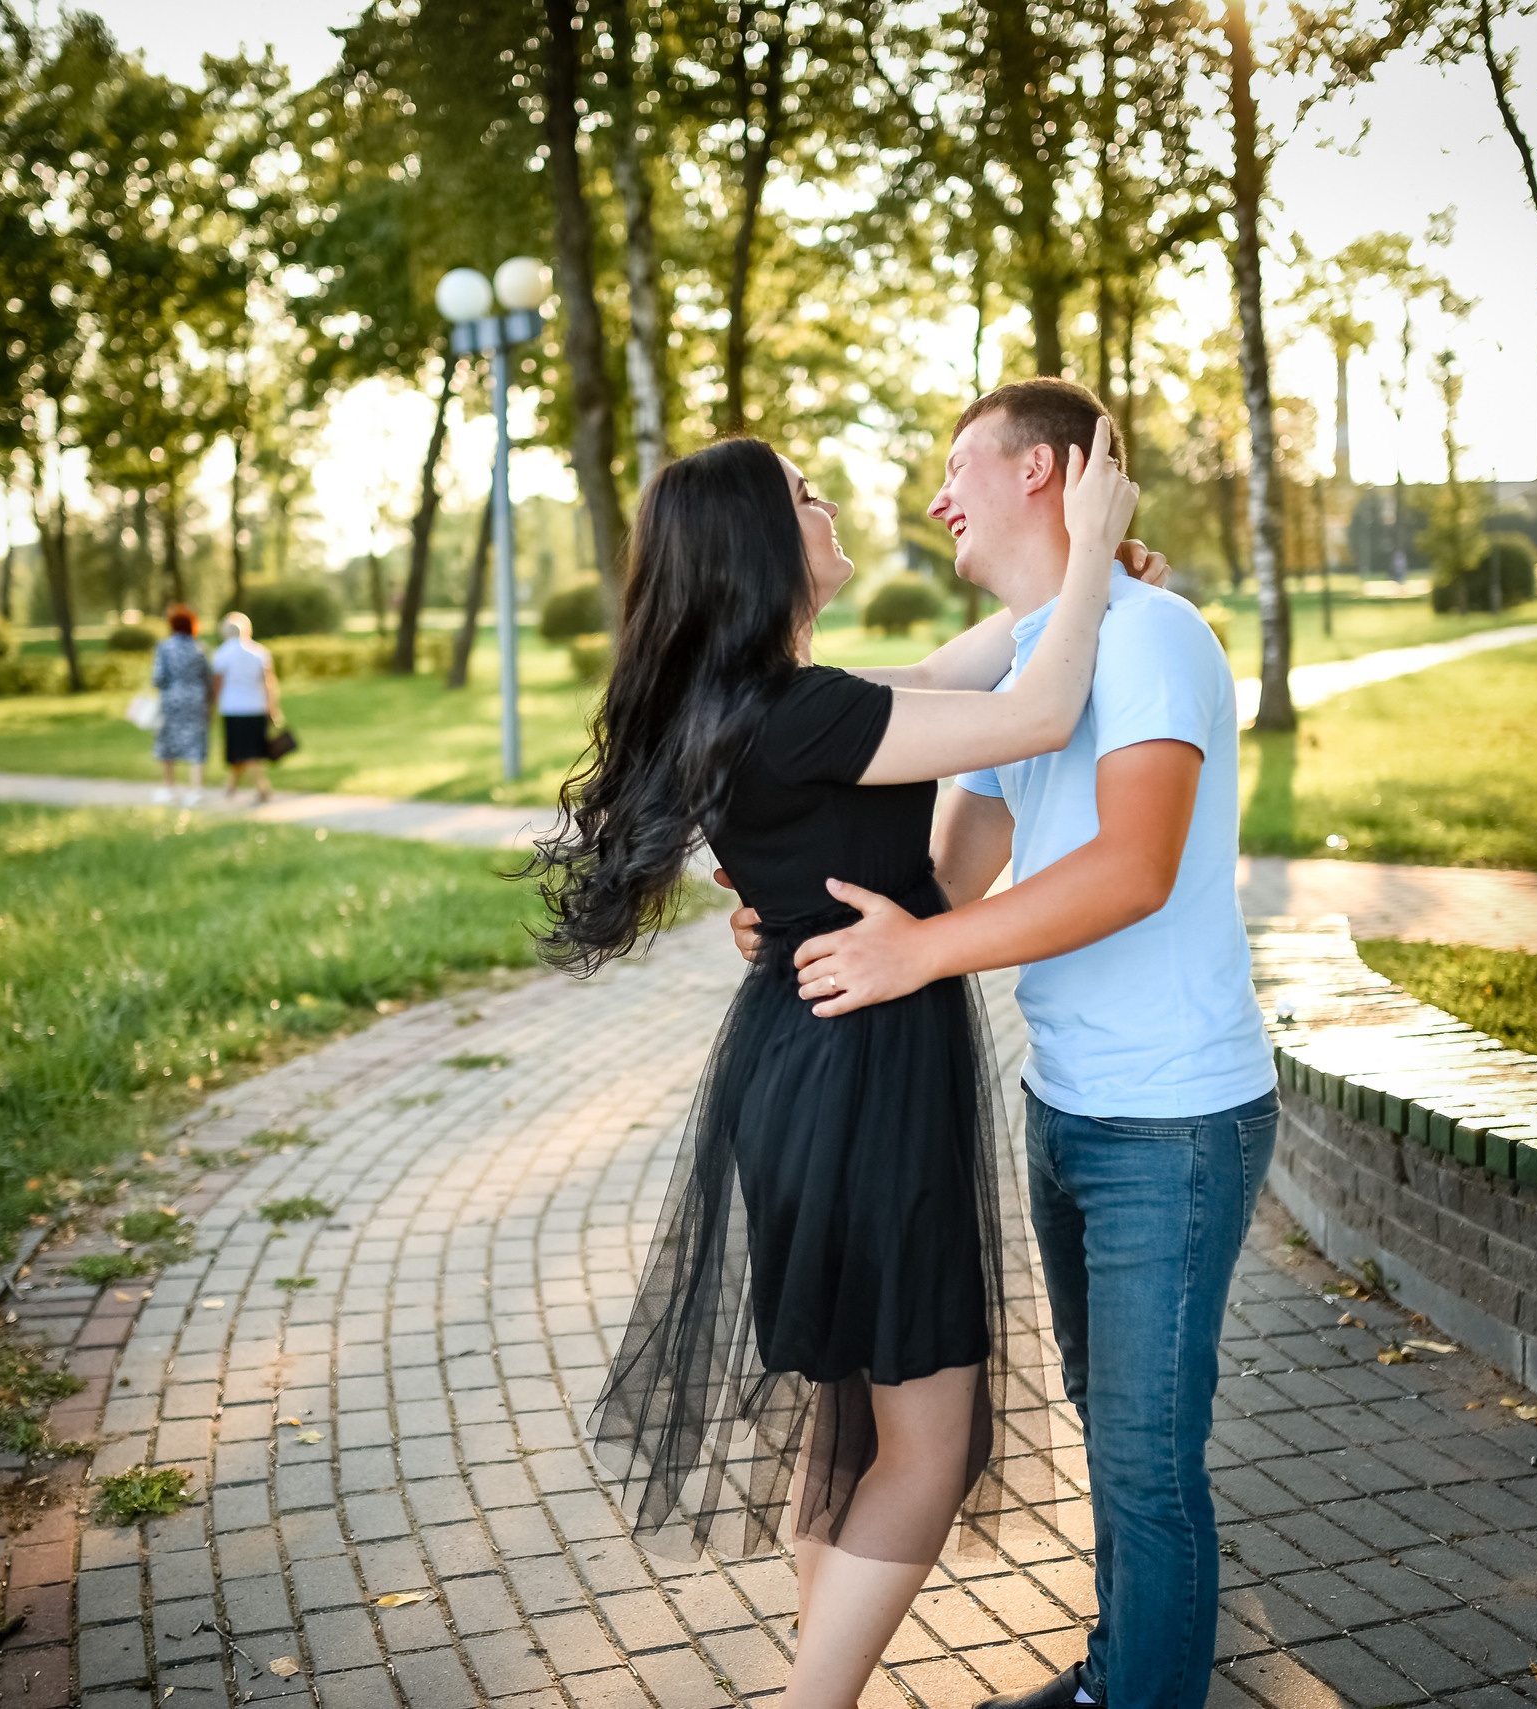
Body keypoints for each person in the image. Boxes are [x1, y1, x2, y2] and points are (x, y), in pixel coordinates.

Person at [529, 425, 1138, 1709]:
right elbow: (1037, 708)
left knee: (855, 1417)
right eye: (806, 494)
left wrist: (1062, 589)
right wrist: (1085, 571)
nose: (832, 503)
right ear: (764, 544)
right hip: (858, 1075)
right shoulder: (802, 714)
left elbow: (953, 670)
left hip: (799, 1063)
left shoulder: (761, 706)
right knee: (934, 1438)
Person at [732, 378, 1279, 1709]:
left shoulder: (1145, 641)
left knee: (1149, 1463)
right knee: (1117, 1434)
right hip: (1066, 1102)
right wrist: (803, 911)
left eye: (959, 467)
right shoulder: (1054, 652)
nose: (935, 498)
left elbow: (1133, 867)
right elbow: (950, 877)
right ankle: (1123, 1670)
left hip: (1175, 1118)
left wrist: (913, 950)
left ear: (1044, 471)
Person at [211, 612, 282, 803]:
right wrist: (272, 708)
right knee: (245, 751)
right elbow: (269, 683)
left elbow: (217, 685)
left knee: (244, 751)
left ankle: (259, 786)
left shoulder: (221, 654)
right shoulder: (259, 652)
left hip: (232, 708)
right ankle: (233, 787)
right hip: (255, 706)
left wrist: (210, 708)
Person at [150, 605, 212, 806]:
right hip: (196, 700)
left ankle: (170, 787)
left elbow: (158, 677)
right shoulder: (200, 649)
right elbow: (208, 678)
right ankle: (196, 789)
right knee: (196, 742)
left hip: (172, 700)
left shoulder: (165, 648)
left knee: (168, 741)